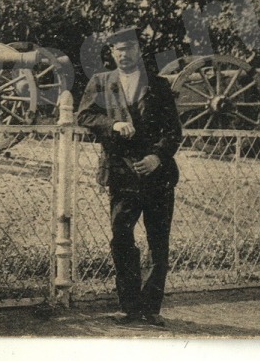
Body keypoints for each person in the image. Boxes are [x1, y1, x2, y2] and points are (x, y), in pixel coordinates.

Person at [77, 30, 183, 328]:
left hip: (157, 176)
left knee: (158, 241)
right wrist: (113, 124)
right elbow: (84, 116)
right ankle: (128, 307)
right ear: (111, 52)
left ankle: (151, 309)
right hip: (121, 174)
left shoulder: (159, 86)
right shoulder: (100, 82)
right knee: (122, 239)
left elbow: (174, 132)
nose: (123, 54)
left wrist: (156, 157)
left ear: (139, 50)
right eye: (118, 50)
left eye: (129, 48)